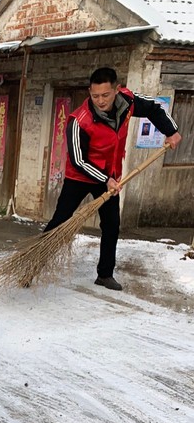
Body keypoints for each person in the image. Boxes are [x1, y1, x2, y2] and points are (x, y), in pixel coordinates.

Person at [44, 67, 182, 290]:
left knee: (111, 225)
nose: (100, 101)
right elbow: (78, 160)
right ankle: (31, 264)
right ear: (90, 92)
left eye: (105, 95)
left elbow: (154, 107)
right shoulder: (79, 121)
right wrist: (105, 179)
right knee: (60, 221)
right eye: (95, 95)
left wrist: (171, 131)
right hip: (80, 176)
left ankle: (105, 274)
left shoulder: (127, 101)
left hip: (111, 175)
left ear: (117, 90)